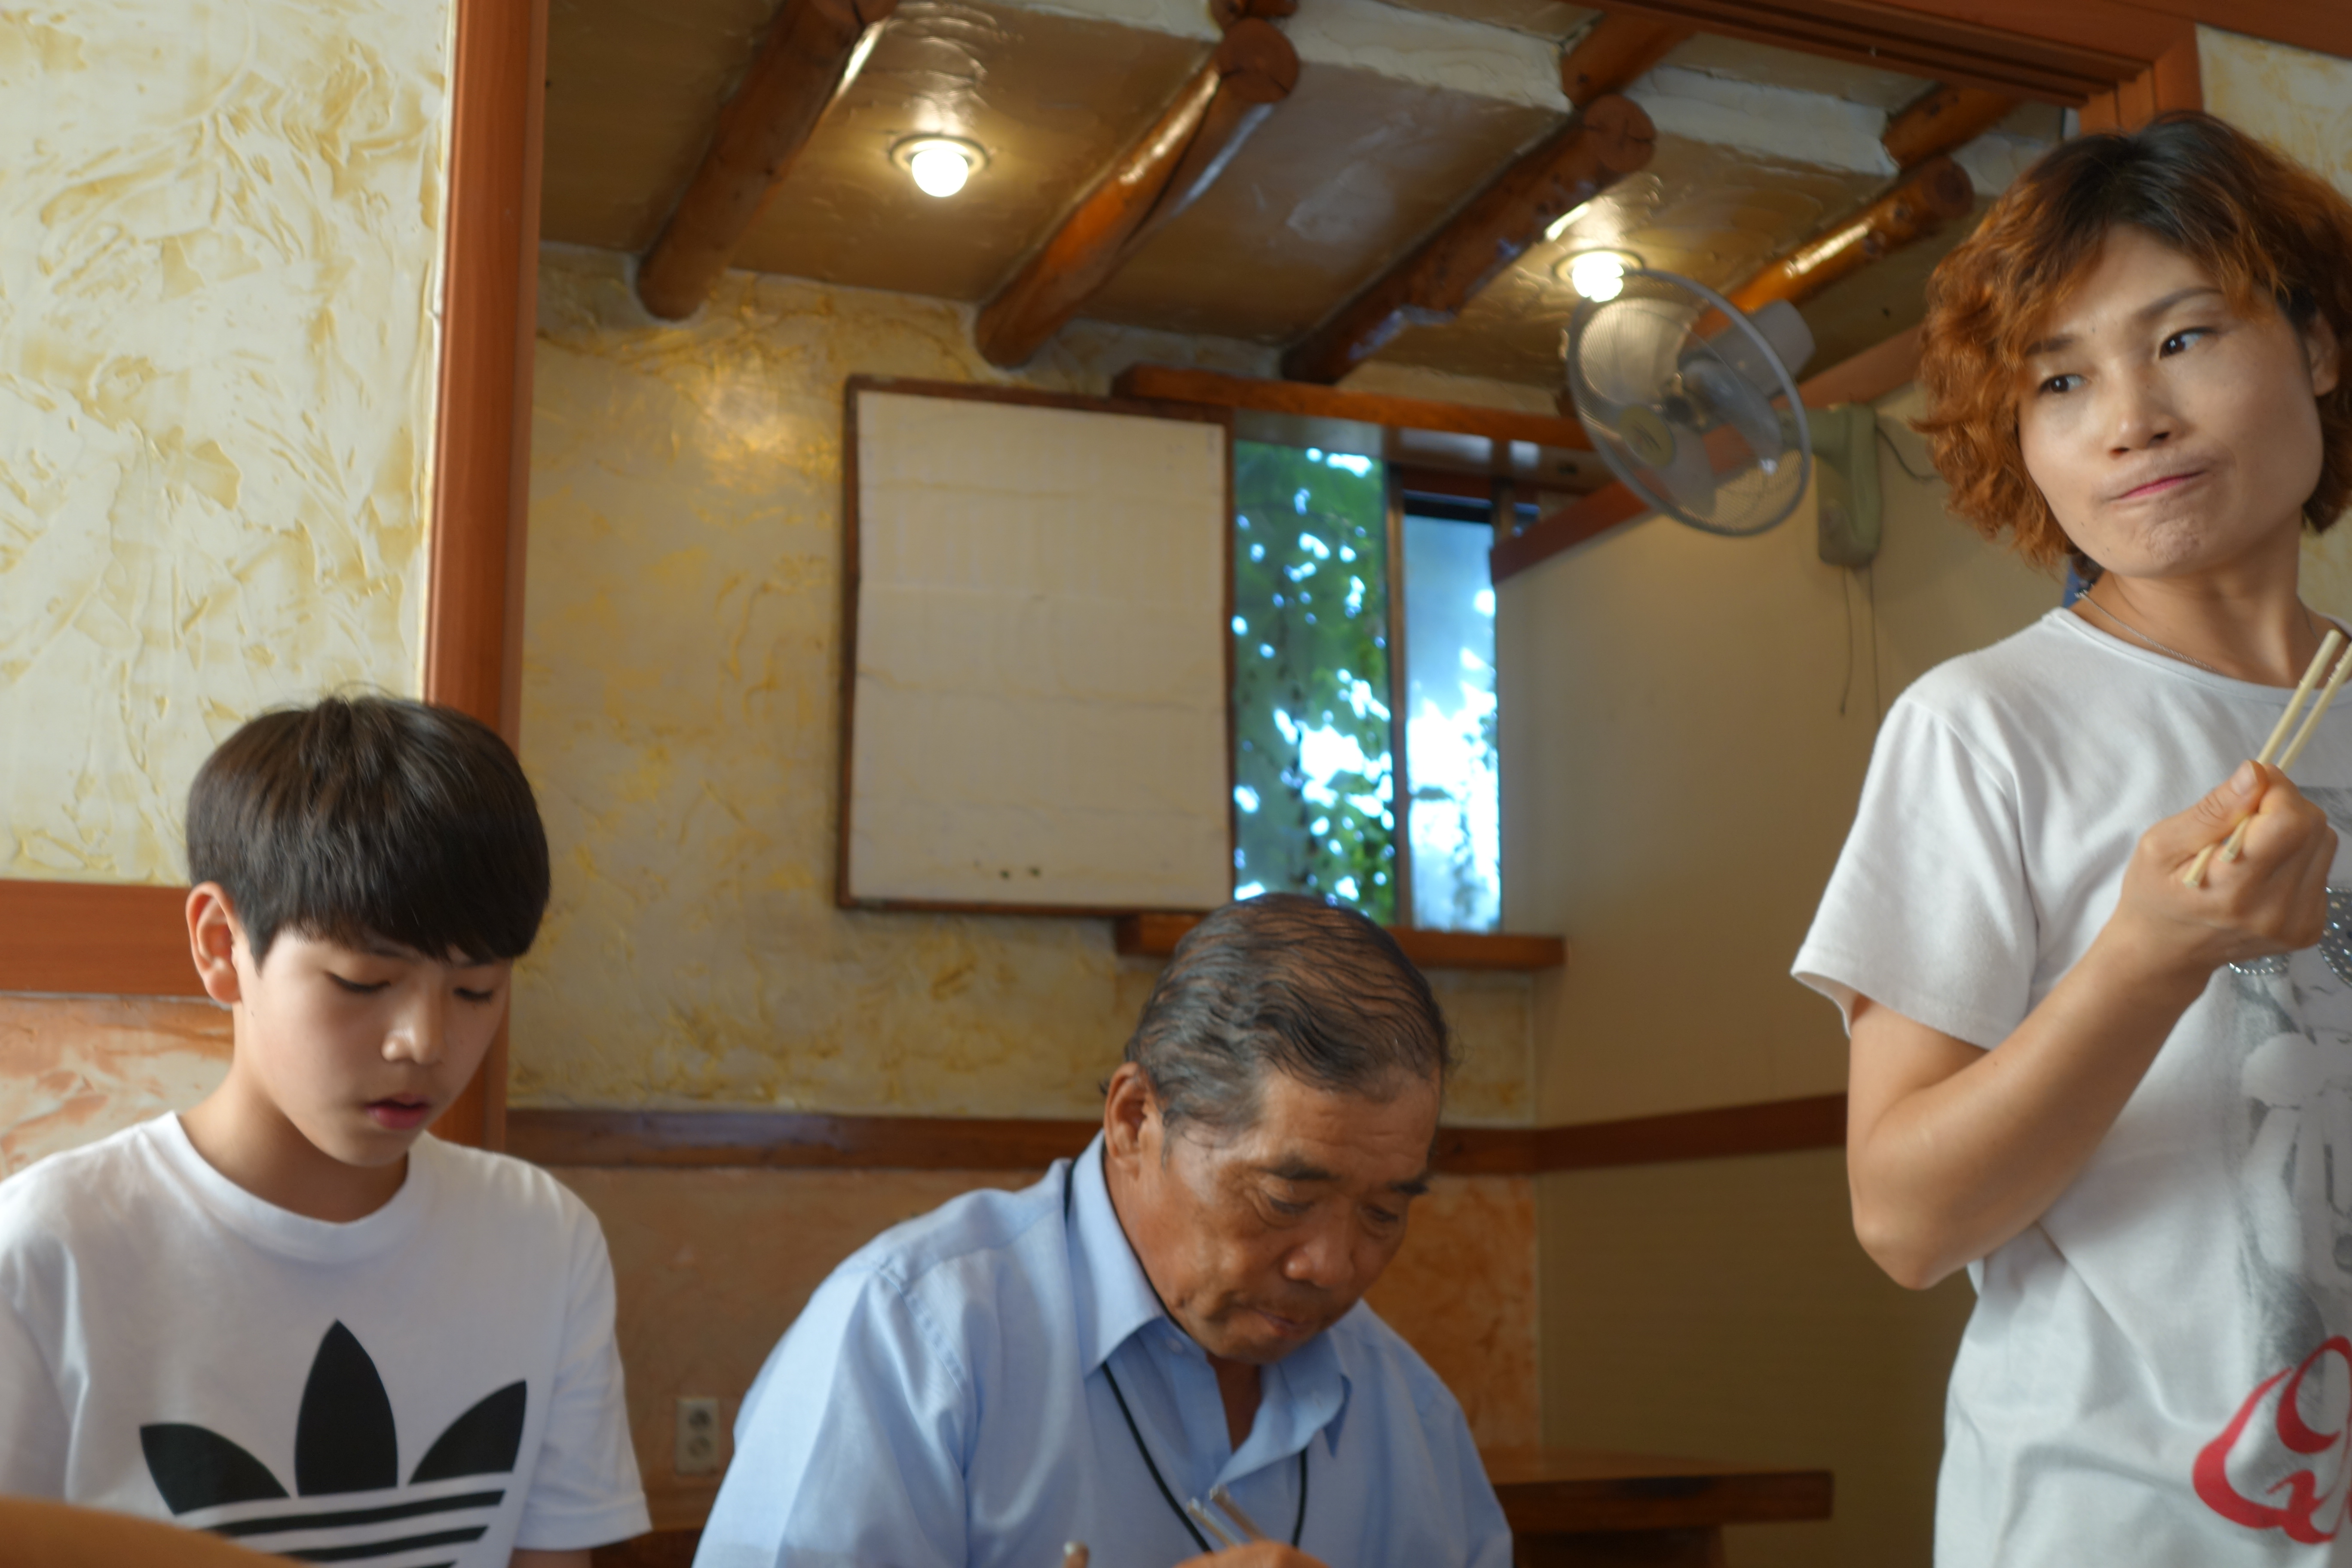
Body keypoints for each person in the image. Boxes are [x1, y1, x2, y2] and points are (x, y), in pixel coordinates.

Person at [1795, 112, 2352, 1560]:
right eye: (2061, 378)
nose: (2130, 417)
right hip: (2110, 1525)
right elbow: (1906, 1221)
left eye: (2183, 338)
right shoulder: (1984, 725)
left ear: (2317, 345)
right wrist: (2148, 958)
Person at [0, 696, 649, 1565]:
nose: (424, 1042)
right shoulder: (49, 1252)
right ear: (221, 946)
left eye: (476, 991)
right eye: (362, 982)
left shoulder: (543, 1239)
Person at [695, 893, 1510, 1568]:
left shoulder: (1408, 1415)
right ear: (1134, 1121)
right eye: (1285, 1198)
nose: (1330, 1266)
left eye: (1384, 1213)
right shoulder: (911, 1339)